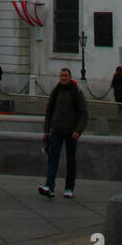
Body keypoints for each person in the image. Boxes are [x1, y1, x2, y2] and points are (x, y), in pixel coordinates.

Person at [39, 67, 88, 199]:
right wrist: (46, 130)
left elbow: (84, 114)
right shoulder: (56, 91)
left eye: (65, 75)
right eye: (61, 75)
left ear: (70, 77)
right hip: (57, 130)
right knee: (53, 158)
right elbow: (49, 111)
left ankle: (69, 188)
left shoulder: (77, 92)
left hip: (71, 132)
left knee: (71, 160)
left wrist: (78, 131)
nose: (63, 78)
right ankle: (49, 186)